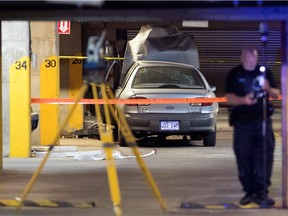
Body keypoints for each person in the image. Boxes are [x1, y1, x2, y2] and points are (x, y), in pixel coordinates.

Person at [224, 46, 280, 206]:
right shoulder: (234, 74)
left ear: (256, 58)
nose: (251, 63)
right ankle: (249, 191)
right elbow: (228, 98)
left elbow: (276, 93)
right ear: (242, 59)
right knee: (244, 157)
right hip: (242, 123)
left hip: (262, 122)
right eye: (248, 60)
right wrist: (244, 100)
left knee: (264, 157)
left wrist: (268, 87)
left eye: (253, 60)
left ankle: (262, 193)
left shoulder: (264, 72)